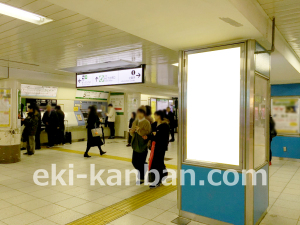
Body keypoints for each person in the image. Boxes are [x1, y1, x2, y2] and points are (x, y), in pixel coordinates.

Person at [148, 110, 170, 188]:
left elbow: (162, 138)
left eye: (156, 115)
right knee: (157, 163)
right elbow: (151, 135)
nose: (154, 117)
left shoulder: (165, 126)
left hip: (161, 147)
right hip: (154, 147)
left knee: (157, 163)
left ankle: (157, 180)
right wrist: (148, 137)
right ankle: (163, 174)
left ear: (159, 116)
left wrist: (154, 136)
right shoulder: (154, 124)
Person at [130, 106, 151, 184]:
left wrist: (139, 130)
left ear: (144, 114)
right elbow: (132, 133)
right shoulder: (135, 121)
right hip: (136, 144)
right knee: (134, 162)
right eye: (138, 113)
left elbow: (147, 134)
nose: (139, 115)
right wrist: (132, 131)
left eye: (141, 113)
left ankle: (141, 178)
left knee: (140, 163)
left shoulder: (146, 123)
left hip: (143, 145)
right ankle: (144, 167)